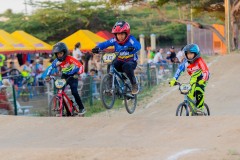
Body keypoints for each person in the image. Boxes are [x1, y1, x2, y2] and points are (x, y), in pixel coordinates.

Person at [92, 21, 141, 94]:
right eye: (118, 34)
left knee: (126, 66)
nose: (120, 36)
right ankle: (109, 86)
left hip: (130, 62)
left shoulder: (131, 39)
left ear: (126, 33)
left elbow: (138, 45)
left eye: (122, 34)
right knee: (110, 63)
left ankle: (134, 84)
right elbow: (105, 44)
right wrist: (97, 47)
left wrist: (133, 47)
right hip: (119, 61)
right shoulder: (114, 40)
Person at [45, 42, 86, 116]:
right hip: (64, 76)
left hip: (73, 76)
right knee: (60, 92)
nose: (59, 55)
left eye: (60, 53)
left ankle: (81, 107)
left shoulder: (70, 58)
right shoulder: (57, 61)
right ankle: (61, 110)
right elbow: (51, 67)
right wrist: (48, 75)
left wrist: (78, 74)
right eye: (57, 54)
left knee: (74, 92)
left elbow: (81, 66)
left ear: (65, 52)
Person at [169, 44, 210, 112]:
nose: (189, 55)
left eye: (191, 54)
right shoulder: (186, 62)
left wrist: (203, 80)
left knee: (198, 89)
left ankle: (200, 108)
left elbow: (206, 71)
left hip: (202, 77)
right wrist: (174, 79)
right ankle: (192, 110)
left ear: (196, 54)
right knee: (190, 92)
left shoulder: (200, 61)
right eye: (188, 54)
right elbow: (179, 70)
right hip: (193, 78)